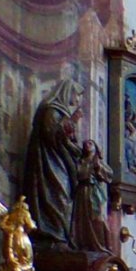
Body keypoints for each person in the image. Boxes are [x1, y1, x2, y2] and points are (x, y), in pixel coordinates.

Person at [20, 80, 84, 246]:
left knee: (63, 197)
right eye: (76, 94)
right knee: (57, 195)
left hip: (58, 160)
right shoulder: (51, 110)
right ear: (67, 92)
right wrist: (72, 122)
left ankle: (59, 235)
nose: (77, 100)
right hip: (48, 163)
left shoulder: (59, 112)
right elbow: (52, 134)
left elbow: (65, 138)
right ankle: (53, 235)